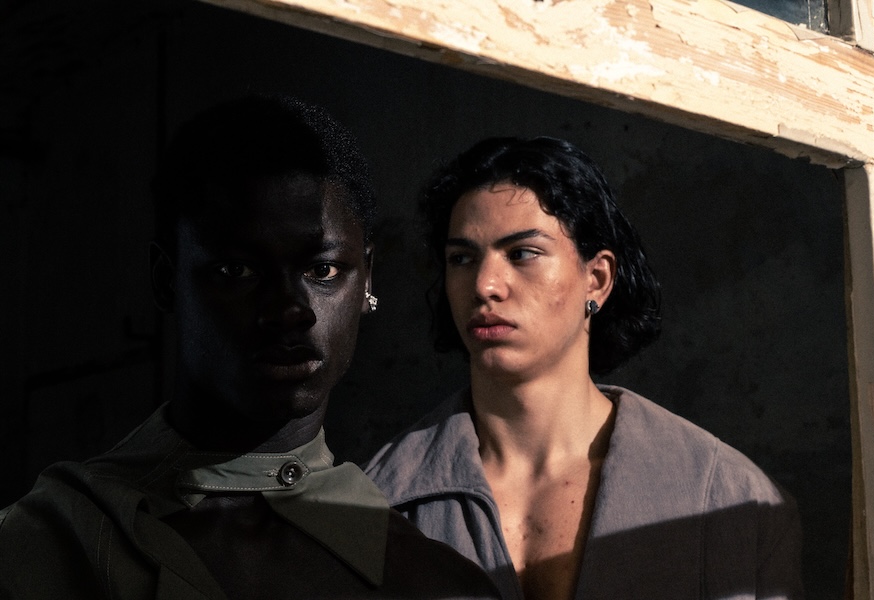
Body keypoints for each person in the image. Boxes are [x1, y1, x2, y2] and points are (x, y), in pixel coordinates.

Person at [0, 96, 500, 599]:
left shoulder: (433, 580)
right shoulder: (53, 542)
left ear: (366, 278)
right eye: (237, 270)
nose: (289, 310)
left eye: (322, 270)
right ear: (166, 281)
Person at [365, 136, 803, 600]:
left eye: (522, 253)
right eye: (462, 258)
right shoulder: (379, 500)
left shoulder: (731, 502)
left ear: (596, 279)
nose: (485, 284)